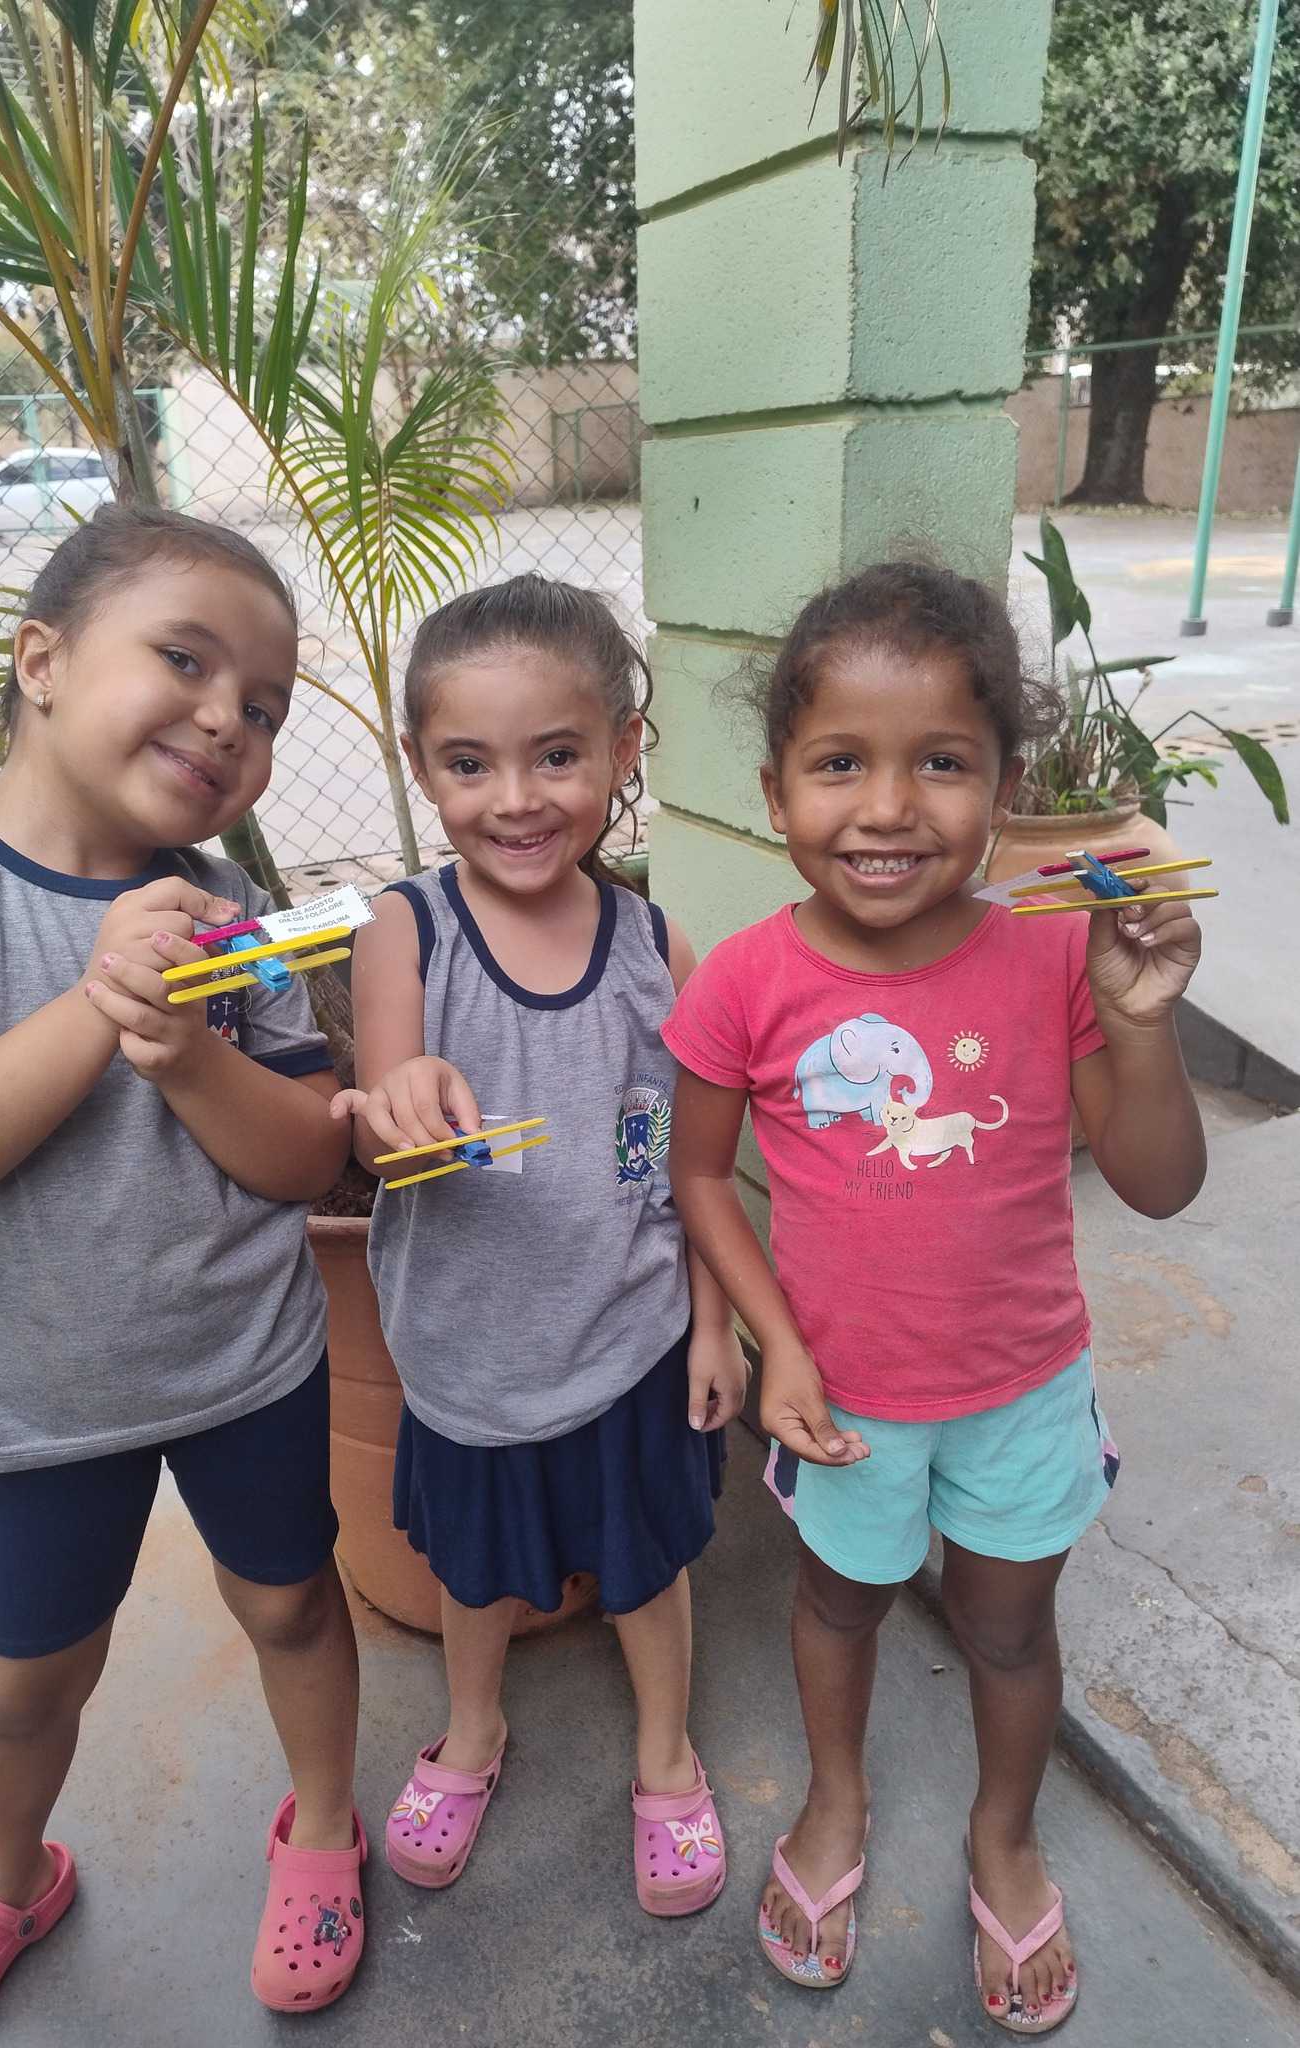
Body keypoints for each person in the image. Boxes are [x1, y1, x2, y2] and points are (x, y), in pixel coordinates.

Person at [0, 506, 369, 2044]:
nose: (228, 720)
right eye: (184, 660)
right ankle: (6, 1880)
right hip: (31, 1401)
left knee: (292, 1603)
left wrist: (189, 1054)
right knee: (25, 1682)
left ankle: (322, 1825)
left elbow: (304, 1155)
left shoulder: (232, 917)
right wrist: (100, 1006)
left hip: (246, 1364)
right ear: (40, 661)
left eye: (264, 708)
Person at [662, 562, 1206, 2033]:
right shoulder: (743, 986)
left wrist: (1143, 1023)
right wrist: (773, 1344)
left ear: (1006, 789)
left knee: (1009, 1629)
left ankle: (1002, 1832)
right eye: (841, 763)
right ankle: (835, 1798)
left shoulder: (1054, 952)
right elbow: (699, 1176)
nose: (890, 807)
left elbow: (1158, 1184)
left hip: (1023, 1386)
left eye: (943, 764)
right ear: (776, 793)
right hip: (839, 1398)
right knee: (837, 1604)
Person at [335, 576, 747, 1915]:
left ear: (624, 751)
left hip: (631, 1342)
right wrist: (399, 1102)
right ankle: (472, 1732)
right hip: (469, 1358)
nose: (514, 799)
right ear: (422, 766)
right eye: (470, 764)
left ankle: (666, 1753)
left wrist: (716, 1322)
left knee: (647, 1569)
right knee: (473, 1575)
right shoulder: (405, 930)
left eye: (556, 755)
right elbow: (387, 1115)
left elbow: (689, 1164)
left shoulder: (657, 946)